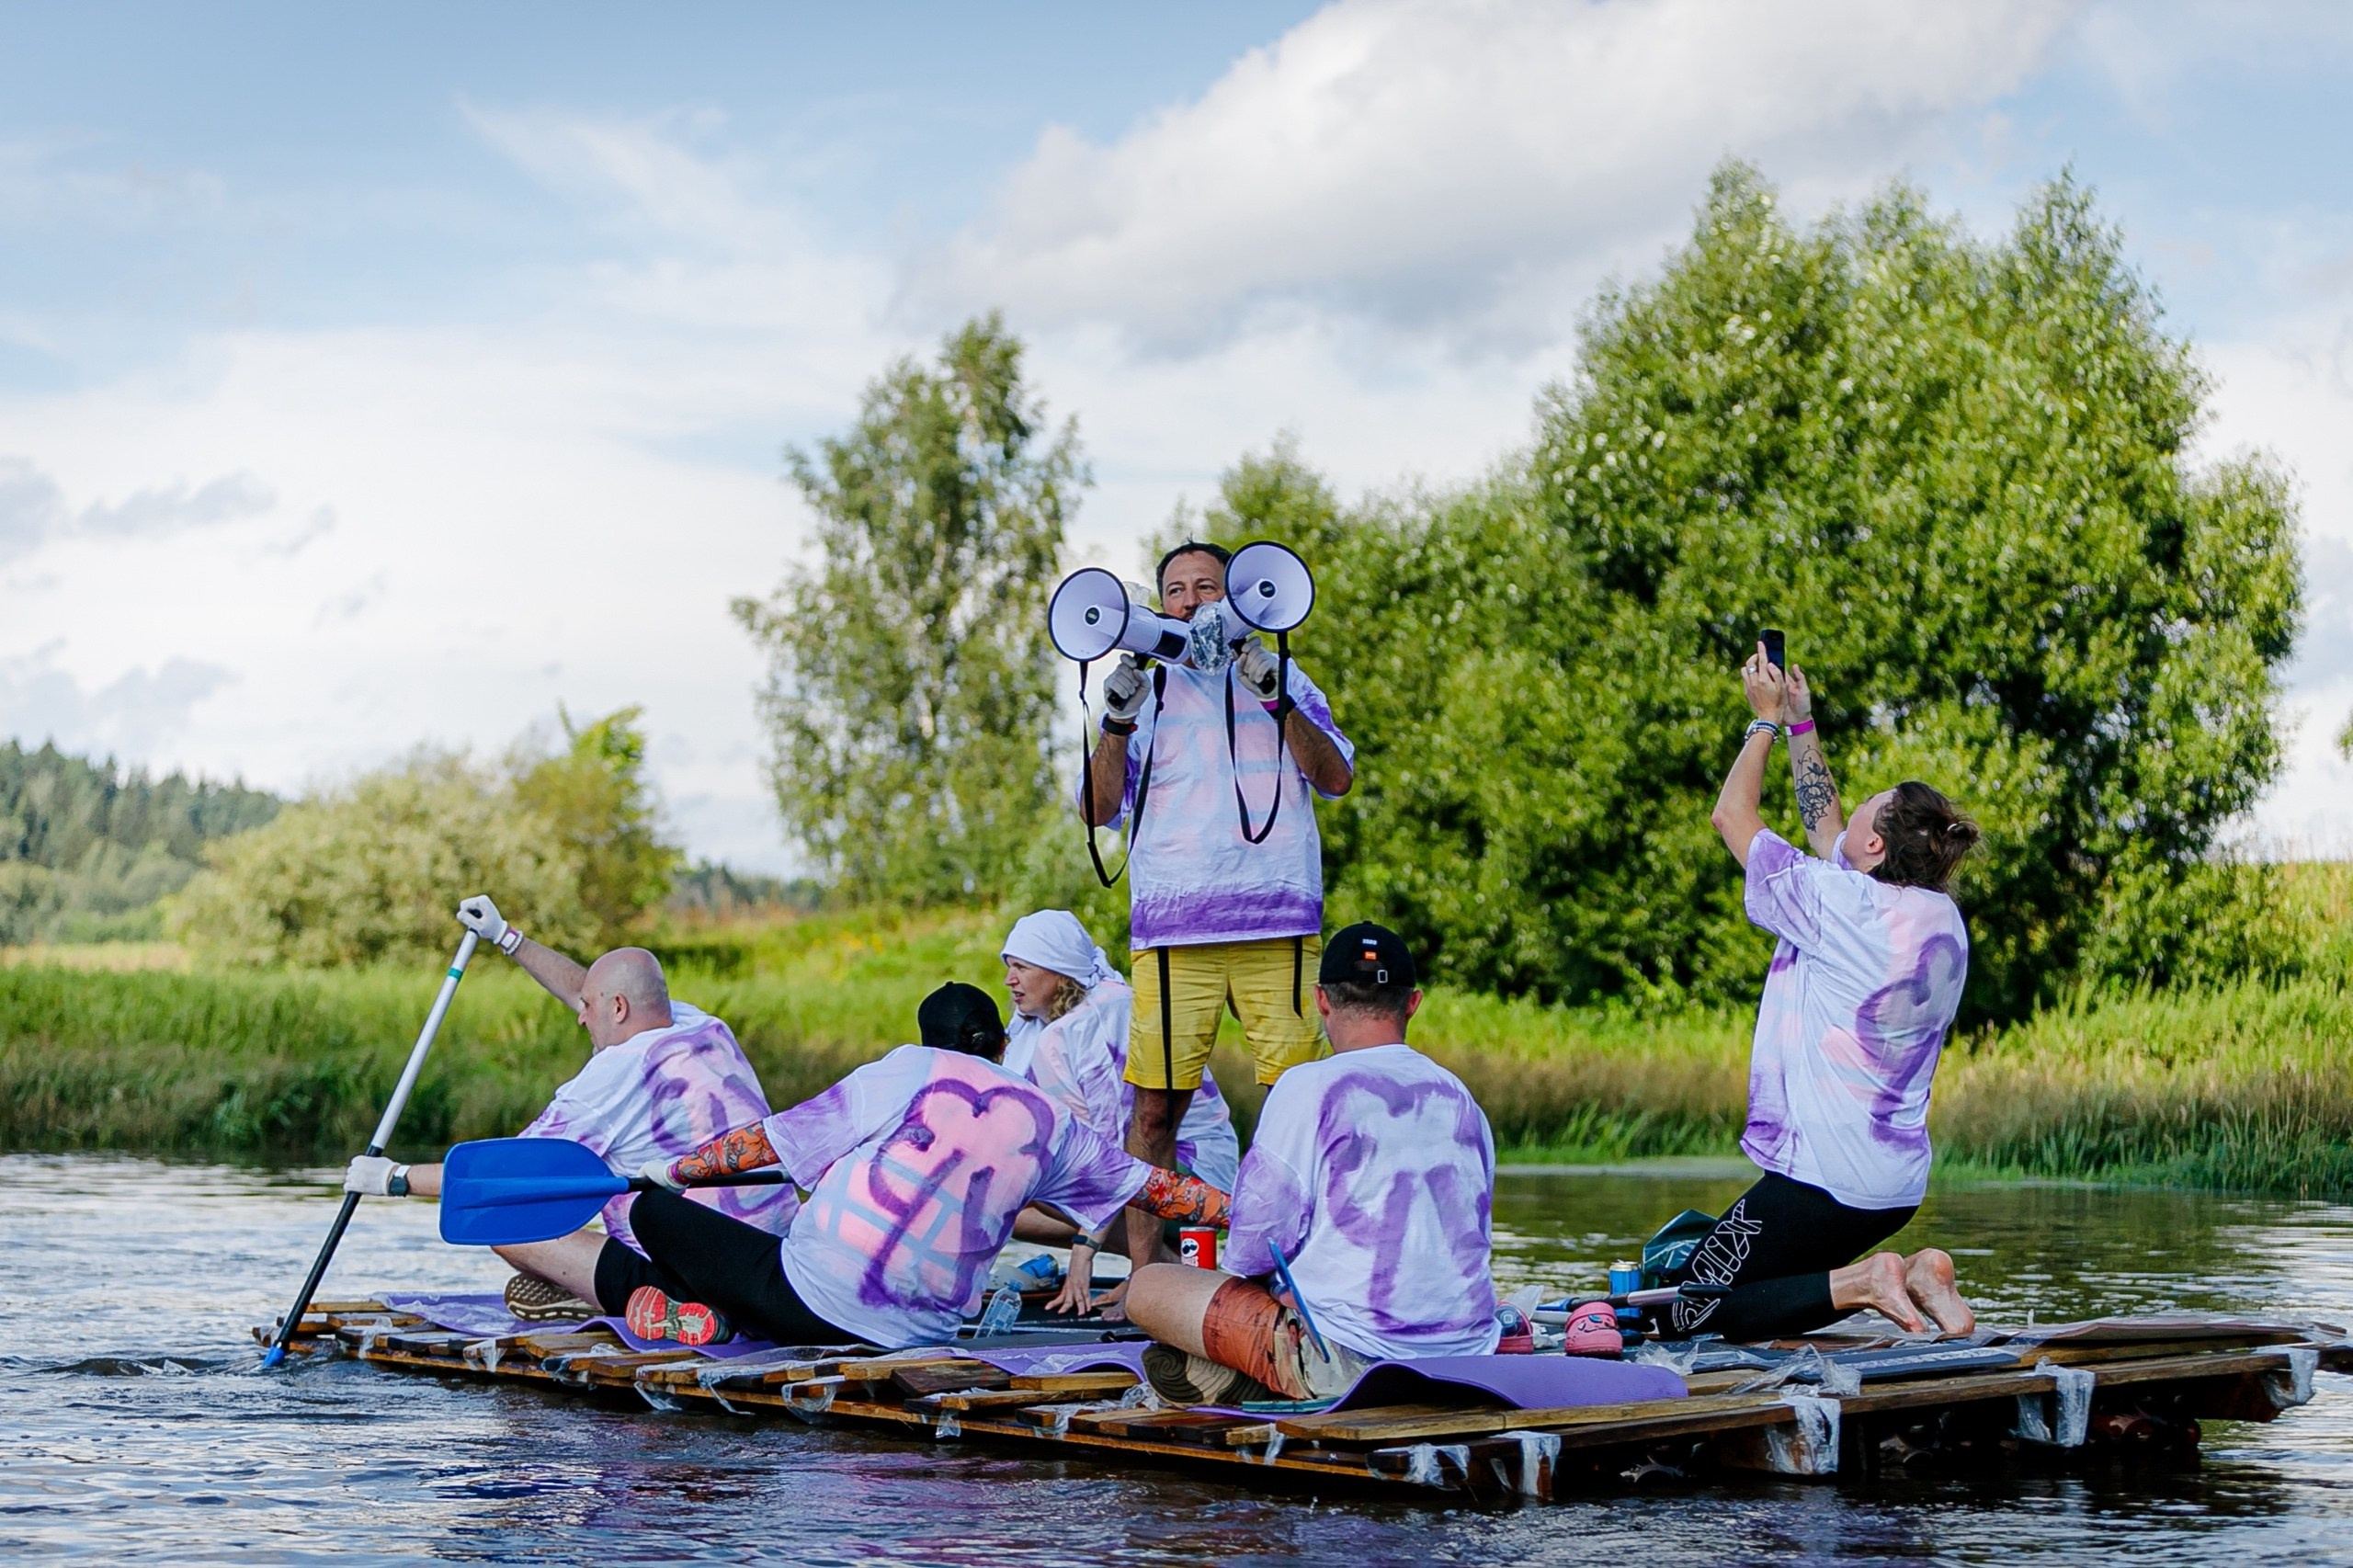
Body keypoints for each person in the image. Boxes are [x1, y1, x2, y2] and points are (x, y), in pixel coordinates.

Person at [472, 983, 1233, 1349]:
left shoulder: (902, 1070)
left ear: (926, 1039)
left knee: (649, 1214)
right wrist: (1245, 1214)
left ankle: (676, 1301)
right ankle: (697, 1303)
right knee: (745, 1248)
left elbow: (760, 1147)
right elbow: (1164, 1192)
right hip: (921, 1333)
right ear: (1004, 1046)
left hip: (806, 1299)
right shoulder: (1053, 1125)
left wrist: (674, 1175)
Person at [1677, 642, 1984, 1341]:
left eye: (1866, 809)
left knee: (1689, 1305)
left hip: (1824, 1180)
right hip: (1894, 1187)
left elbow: (1731, 816)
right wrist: (1800, 723)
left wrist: (1762, 720)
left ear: (1876, 848)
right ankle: (1917, 1275)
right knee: (1760, 1286)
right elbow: (1829, 831)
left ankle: (1869, 1282)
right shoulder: (1937, 917)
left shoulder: (1836, 904)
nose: (1850, 814)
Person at [1080, 539, 1356, 1268]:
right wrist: (1115, 722)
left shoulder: (1286, 675)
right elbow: (1096, 810)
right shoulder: (1143, 689)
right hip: (1173, 929)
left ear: (1236, 597)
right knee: (1154, 1108)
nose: (1192, 601)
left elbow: (1335, 778)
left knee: (1298, 1100)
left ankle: (1300, 1267)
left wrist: (1276, 695)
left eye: (1207, 586)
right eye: (1176, 590)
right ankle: (1148, 1277)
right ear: (1159, 605)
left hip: (1276, 920)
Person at [341, 895, 795, 1319]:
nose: (580, 1015)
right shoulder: (699, 1025)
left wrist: (393, 1178)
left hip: (695, 1279)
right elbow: (587, 988)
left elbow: (502, 1176)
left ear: (618, 1008)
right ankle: (598, 1289)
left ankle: (656, 1303)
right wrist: (506, 937)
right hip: (771, 1257)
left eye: (587, 1007)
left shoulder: (611, 1080)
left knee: (500, 1215)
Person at [1124, 924, 1500, 1404]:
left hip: (1349, 1360)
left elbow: (1253, 1250)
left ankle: (1266, 1376)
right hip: (1469, 1354)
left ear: (1321, 1000)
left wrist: (1274, 1287)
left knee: (1148, 1286)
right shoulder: (1461, 1097)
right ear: (1412, 1003)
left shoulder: (1307, 1086)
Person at [997, 910, 1241, 1312]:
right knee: (1009, 1202)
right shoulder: (1045, 1025)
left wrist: (1084, 1251)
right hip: (1131, 1172)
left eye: (1021, 967)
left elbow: (1112, 1150)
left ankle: (1153, 1279)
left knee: (1038, 1181)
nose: (1010, 979)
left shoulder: (1099, 1017)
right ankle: (1167, 1267)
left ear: (1058, 970)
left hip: (1190, 1173)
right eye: (1009, 967)